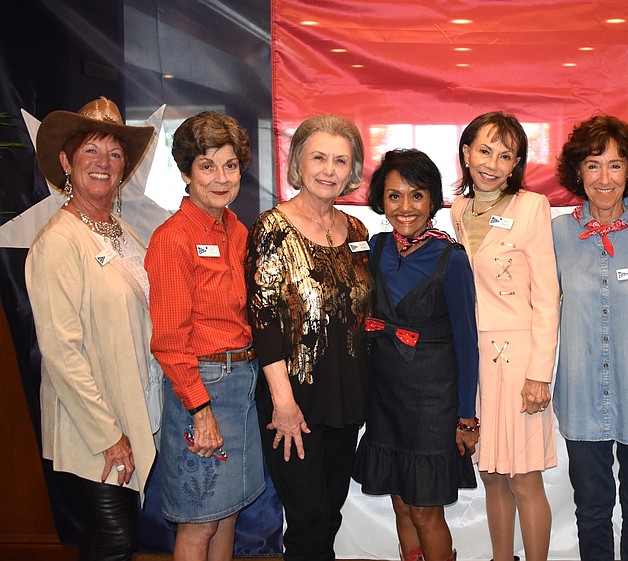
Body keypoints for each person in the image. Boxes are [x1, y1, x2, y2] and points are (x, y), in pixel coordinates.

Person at [26, 97, 157, 560]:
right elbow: (61, 351)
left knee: (108, 540)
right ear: (65, 161)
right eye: (91, 152)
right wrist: (107, 434)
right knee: (116, 541)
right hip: (93, 425)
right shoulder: (59, 242)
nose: (104, 164)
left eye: (115, 153)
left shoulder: (121, 231)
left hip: (128, 411)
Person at [245, 114, 373, 561]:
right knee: (306, 519)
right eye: (318, 157)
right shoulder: (271, 229)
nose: (328, 169)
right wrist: (282, 403)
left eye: (341, 160)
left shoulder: (357, 232)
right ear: (297, 162)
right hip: (294, 404)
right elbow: (263, 322)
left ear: (352, 170)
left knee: (331, 513)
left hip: (345, 400)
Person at [145, 111, 264, 561]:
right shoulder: (172, 239)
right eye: (207, 165)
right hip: (202, 387)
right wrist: (200, 411)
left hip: (243, 383)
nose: (221, 177)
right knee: (199, 519)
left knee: (228, 511)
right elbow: (171, 342)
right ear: (185, 172)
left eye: (230, 165)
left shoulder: (237, 231)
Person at [352, 149, 479, 561]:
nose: (405, 207)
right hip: (386, 398)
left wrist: (466, 417)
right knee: (401, 503)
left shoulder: (452, 258)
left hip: (432, 403)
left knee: (425, 511)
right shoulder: (376, 247)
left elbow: (467, 342)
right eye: (394, 196)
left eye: (416, 195)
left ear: (433, 200)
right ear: (380, 200)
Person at [552, 115, 628, 560]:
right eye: (594, 165)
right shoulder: (557, 234)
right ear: (578, 171)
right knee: (592, 509)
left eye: (615, 165)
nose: (605, 178)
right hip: (582, 393)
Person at [450, 112, 559, 561]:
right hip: (473, 361)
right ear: (466, 153)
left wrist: (539, 374)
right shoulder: (456, 211)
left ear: (516, 163)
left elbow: (548, 296)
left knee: (523, 477)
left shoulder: (531, 207)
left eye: (505, 155)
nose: (492, 163)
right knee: (492, 474)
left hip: (519, 360)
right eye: (484, 150)